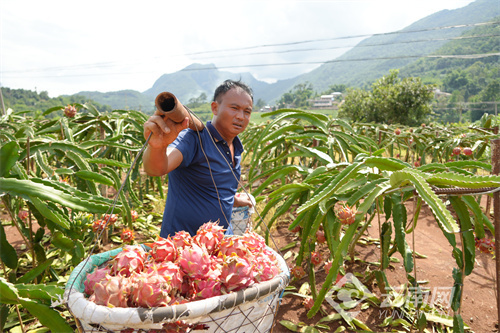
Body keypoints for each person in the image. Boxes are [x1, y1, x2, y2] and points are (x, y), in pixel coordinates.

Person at [143, 79, 254, 237]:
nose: (241, 116)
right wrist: (157, 147)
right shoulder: (194, 139)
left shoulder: (236, 147)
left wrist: (235, 200)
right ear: (214, 108)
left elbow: (216, 190)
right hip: (184, 248)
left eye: (247, 111)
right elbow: (156, 168)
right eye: (234, 108)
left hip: (220, 243)